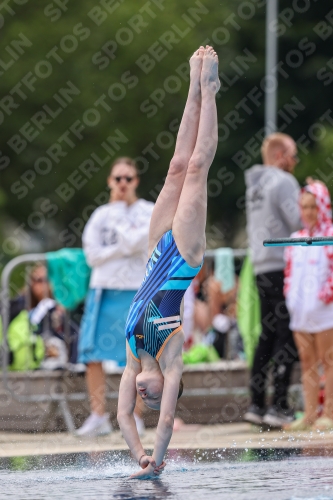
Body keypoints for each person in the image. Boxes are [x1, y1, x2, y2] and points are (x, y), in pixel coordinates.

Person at [117, 45, 219, 479]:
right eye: (155, 396)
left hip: (157, 248)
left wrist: (135, 454)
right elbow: (164, 423)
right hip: (183, 258)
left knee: (177, 166)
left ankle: (191, 88)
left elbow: (123, 417)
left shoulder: (132, 354)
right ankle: (209, 89)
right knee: (197, 166)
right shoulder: (170, 353)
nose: (147, 394)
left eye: (147, 398)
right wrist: (156, 460)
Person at [76, 157, 154, 437]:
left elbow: (140, 243)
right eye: (118, 178)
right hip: (104, 289)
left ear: (136, 181)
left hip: (137, 288)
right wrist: (122, 248)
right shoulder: (100, 214)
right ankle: (99, 415)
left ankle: (135, 415)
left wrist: (123, 240)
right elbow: (92, 255)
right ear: (110, 181)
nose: (123, 184)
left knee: (139, 353)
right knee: (92, 353)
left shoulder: (149, 210)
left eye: (128, 178)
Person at [244, 132, 302, 427]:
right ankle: (279, 404)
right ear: (280, 155)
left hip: (260, 266)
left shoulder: (254, 185)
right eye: (293, 154)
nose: (295, 161)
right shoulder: (283, 181)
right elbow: (299, 221)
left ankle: (256, 402)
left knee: (266, 334)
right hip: (281, 265)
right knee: (286, 334)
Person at [284, 182, 333, 431]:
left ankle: (330, 414)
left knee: (329, 360)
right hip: (301, 312)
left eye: (313, 206)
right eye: (304, 207)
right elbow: (290, 274)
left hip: (326, 312)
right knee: (307, 362)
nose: (309, 212)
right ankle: (311, 413)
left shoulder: (331, 235)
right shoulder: (296, 239)